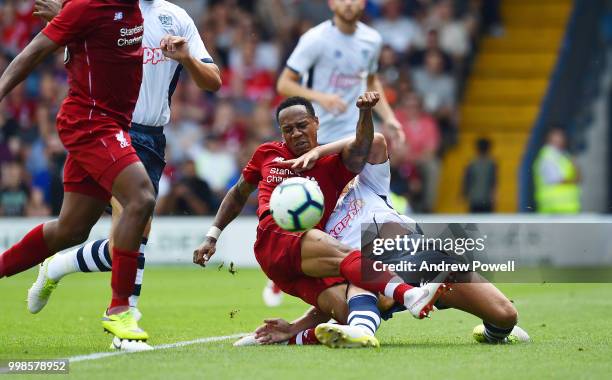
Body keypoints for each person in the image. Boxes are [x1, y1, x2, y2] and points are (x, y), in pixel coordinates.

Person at [25, 0, 221, 341]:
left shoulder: (175, 18)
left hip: (152, 138)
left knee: (123, 242)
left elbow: (213, 81)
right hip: (112, 127)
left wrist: (187, 57)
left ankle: (58, 265)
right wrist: (70, 18)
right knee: (137, 223)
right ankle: (125, 320)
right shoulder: (102, 8)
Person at [193, 93, 450, 348]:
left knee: (354, 315)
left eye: (302, 125)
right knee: (347, 257)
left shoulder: (332, 162)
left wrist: (363, 114)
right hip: (275, 236)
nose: (295, 134)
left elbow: (364, 144)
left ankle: (287, 337)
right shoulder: (267, 154)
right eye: (288, 130)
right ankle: (410, 295)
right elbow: (239, 193)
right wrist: (212, 235)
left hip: (305, 258)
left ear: (316, 122)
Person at [235, 136, 529, 348]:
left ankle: (490, 331)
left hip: (425, 257)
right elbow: (331, 298)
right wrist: (295, 329)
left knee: (506, 316)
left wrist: (322, 149)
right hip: (379, 277)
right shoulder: (318, 232)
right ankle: (363, 330)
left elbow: (376, 140)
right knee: (361, 276)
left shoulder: (369, 183)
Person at [0, 0, 153, 343]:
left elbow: (95, 38)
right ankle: (120, 310)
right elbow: (32, 53)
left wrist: (68, 15)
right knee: (141, 198)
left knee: (71, 230)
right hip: (90, 123)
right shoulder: (88, 7)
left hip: (111, 124)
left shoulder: (127, 8)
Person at [276, 0, 404, 146]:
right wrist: (321, 98)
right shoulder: (315, 38)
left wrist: (389, 118)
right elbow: (284, 84)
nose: (348, 3)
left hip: (355, 136)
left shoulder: (372, 40)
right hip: (319, 136)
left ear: (363, 3)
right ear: (331, 3)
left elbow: (371, 82)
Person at [533, 127, 581, 213]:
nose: (559, 139)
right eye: (556, 136)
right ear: (548, 138)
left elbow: (578, 175)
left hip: (566, 209)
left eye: (560, 136)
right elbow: (556, 179)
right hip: (552, 209)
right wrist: (575, 179)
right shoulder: (547, 157)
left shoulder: (564, 155)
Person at [463, 138, 497, 213]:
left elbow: (467, 180)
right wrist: (494, 197)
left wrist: (464, 194)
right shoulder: (491, 163)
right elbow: (493, 182)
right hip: (486, 199)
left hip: (475, 198)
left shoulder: (472, 163)